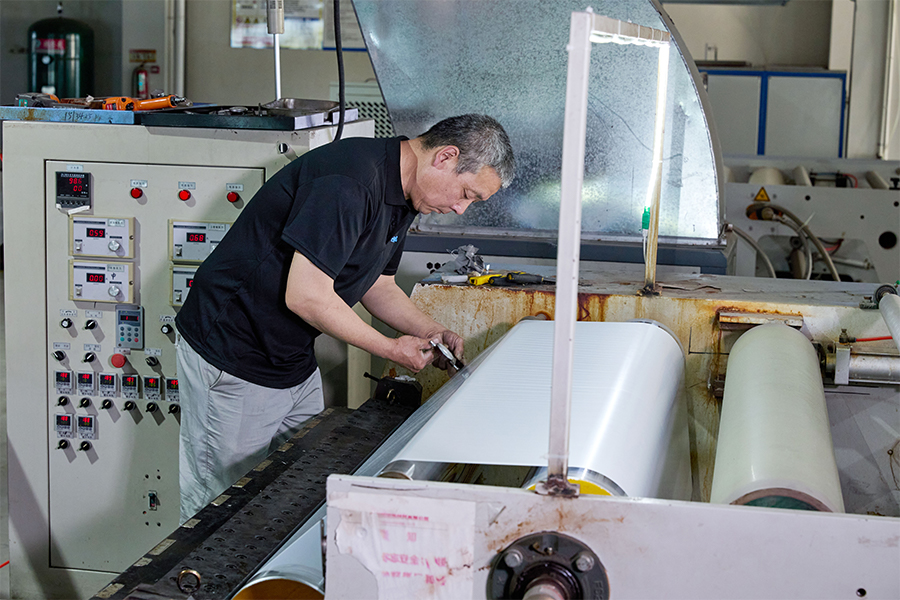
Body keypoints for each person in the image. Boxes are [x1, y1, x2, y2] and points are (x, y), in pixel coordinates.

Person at [174, 114, 515, 521]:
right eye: (466, 194)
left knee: (296, 488)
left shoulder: (403, 196)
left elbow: (378, 286)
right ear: (445, 157)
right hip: (234, 355)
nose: (460, 208)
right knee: (221, 510)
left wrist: (432, 331)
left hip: (290, 357)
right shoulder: (350, 181)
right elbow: (306, 296)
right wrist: (392, 349)